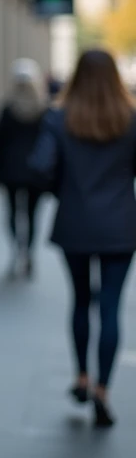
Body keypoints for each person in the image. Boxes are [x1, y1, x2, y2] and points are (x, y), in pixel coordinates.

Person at [30, 49, 136, 429]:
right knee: (110, 307)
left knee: (80, 301)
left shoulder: (59, 119)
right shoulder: (130, 119)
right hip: (121, 226)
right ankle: (104, 390)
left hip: (76, 221)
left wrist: (66, 191)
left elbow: (40, 167)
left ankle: (81, 378)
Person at [0, 58, 50, 280]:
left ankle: (19, 249)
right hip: (34, 172)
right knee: (31, 215)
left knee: (15, 213)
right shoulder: (43, 109)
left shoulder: (8, 109)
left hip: (12, 170)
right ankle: (26, 251)